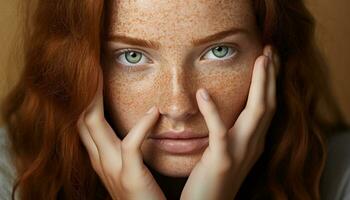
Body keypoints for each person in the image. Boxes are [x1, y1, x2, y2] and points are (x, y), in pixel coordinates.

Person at [0, 0, 349, 199]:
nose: (179, 106)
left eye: (219, 50)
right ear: (77, 65)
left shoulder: (341, 178)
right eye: (132, 57)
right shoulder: (10, 176)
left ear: (272, 56)